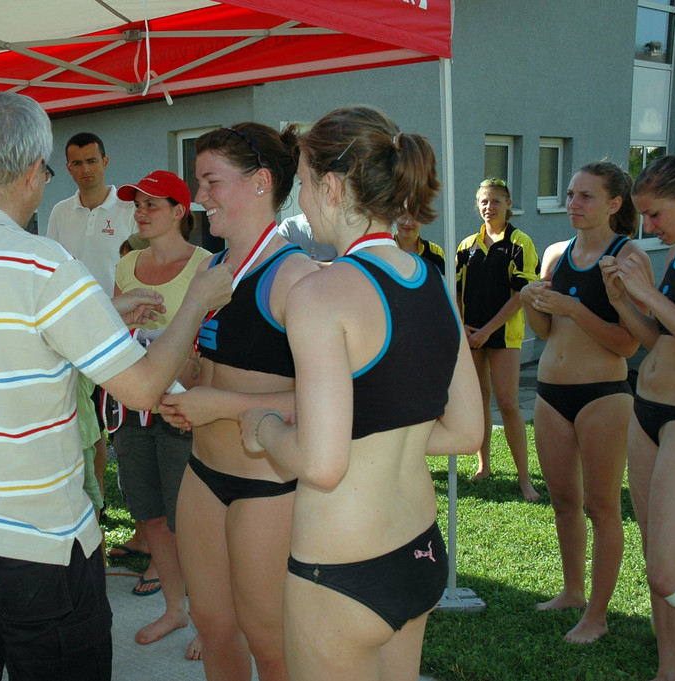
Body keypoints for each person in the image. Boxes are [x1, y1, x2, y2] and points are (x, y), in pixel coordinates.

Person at [0, 91, 232, 680]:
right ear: (32, 172)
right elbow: (143, 390)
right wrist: (197, 300)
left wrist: (98, 315)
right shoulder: (44, 266)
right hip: (36, 543)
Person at [236, 105, 482, 681]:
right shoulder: (433, 282)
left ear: (331, 187)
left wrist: (264, 428)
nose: (298, 203)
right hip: (418, 550)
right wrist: (376, 440)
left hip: (341, 568)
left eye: (301, 185)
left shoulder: (322, 293)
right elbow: (466, 431)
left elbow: (321, 466)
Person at [158, 121, 318, 681]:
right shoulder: (212, 267)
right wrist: (185, 388)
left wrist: (218, 404)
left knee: (269, 643)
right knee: (212, 627)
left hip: (266, 485)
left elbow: (327, 399)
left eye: (211, 181)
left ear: (260, 183)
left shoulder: (296, 276)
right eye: (198, 182)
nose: (198, 196)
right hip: (203, 474)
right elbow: (206, 363)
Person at [521, 160, 650, 644]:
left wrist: (575, 308)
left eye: (585, 196)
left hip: (602, 395)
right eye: (571, 194)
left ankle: (597, 616)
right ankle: (572, 592)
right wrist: (533, 303)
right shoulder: (556, 254)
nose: (572, 203)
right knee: (563, 502)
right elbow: (546, 331)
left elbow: (628, 345)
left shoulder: (628, 257)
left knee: (601, 507)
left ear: (614, 204)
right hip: (550, 393)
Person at [113, 170, 212, 648]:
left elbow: (217, 341)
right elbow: (111, 333)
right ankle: (176, 611)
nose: (141, 212)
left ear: (179, 212)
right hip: (134, 408)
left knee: (191, 525)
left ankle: (211, 624)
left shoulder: (208, 265)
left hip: (183, 411)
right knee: (151, 516)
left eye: (152, 203)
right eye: (137, 204)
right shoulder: (127, 264)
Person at [603, 154, 675, 678]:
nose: (648, 226)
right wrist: (623, 302)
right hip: (647, 407)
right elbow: (658, 338)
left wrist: (647, 292)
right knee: (656, 560)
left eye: (655, 214)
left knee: (668, 570)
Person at [47, 132, 139, 510]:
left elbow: (141, 268)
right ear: (68, 168)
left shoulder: (130, 209)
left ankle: (134, 512)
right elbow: (53, 271)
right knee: (87, 428)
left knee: (123, 429)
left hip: (119, 334)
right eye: (76, 163)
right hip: (73, 337)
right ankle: (96, 505)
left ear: (105, 162)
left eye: (91, 161)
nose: (85, 169)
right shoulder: (59, 212)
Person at [456, 178, 541, 501]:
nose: (489, 207)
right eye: (484, 202)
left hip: (503, 334)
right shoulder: (467, 246)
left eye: (495, 201)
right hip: (472, 333)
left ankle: (525, 479)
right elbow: (457, 291)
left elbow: (521, 295)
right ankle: (484, 466)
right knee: (480, 399)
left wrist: (488, 330)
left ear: (508, 204)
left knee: (507, 404)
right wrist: (463, 325)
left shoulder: (520, 243)